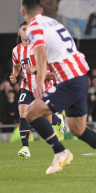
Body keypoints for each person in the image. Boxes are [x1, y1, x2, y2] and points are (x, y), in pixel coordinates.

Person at [21, 0, 96, 179]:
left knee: (30, 112)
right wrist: (51, 74)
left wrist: (39, 82)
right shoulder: (53, 23)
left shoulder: (33, 27)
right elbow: (62, 53)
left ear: (23, 12)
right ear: (41, 10)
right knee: (77, 129)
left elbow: (41, 53)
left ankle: (60, 152)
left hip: (70, 81)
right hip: (79, 77)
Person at [10, 21, 65, 159]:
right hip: (27, 87)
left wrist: (35, 68)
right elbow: (16, 66)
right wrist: (15, 75)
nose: (26, 32)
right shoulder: (16, 50)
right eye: (24, 29)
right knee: (23, 113)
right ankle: (25, 148)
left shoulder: (37, 46)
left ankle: (58, 120)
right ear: (19, 32)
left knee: (44, 119)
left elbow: (47, 61)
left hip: (43, 85)